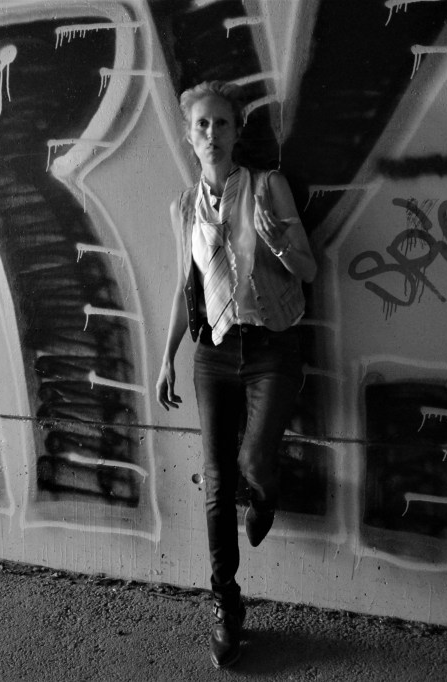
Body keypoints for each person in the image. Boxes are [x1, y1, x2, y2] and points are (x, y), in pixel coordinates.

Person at [155, 80, 317, 669]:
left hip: (272, 348)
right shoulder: (183, 207)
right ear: (188, 136)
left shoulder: (267, 187)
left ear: (236, 131)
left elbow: (309, 269)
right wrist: (167, 357)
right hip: (214, 353)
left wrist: (279, 246)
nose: (211, 135)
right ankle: (226, 603)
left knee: (251, 462)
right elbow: (186, 288)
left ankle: (266, 493)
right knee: (218, 483)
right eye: (201, 125)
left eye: (221, 123)